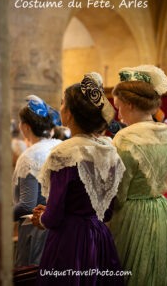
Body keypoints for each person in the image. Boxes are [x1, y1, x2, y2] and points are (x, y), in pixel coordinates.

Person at [32, 73, 126, 285]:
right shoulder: (108, 150)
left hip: (70, 242)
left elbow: (54, 216)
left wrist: (41, 218)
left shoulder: (66, 152)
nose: (61, 109)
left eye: (63, 104)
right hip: (100, 239)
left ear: (72, 114)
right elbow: (107, 211)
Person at [106, 65, 167, 286]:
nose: (119, 115)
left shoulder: (125, 138)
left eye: (118, 107)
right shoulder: (166, 134)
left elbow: (118, 192)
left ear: (129, 104)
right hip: (162, 212)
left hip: (133, 217)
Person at [13, 95, 61, 267]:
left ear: (25, 127)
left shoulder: (31, 155)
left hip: (37, 231)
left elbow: (27, 205)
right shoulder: (59, 147)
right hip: (59, 228)